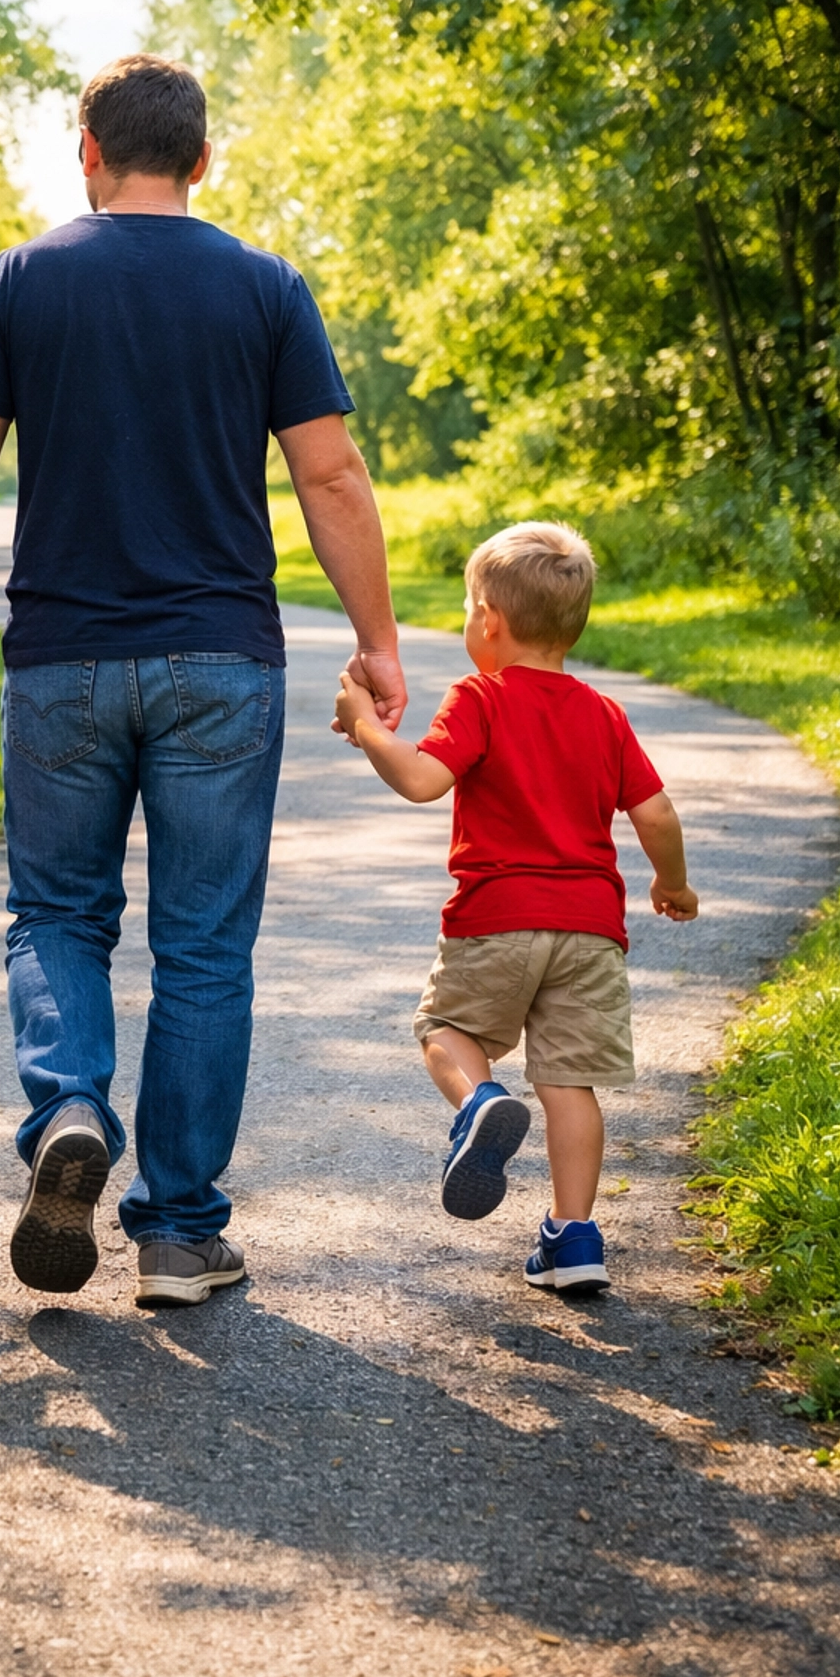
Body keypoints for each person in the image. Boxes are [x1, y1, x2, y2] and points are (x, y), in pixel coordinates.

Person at [0, 54, 405, 1307]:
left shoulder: (19, 280)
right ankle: (177, 1234)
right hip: (223, 660)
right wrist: (378, 637)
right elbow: (330, 479)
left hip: (62, 659)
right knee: (205, 947)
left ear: (88, 151)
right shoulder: (265, 287)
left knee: (59, 916)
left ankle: (69, 1106)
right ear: (202, 160)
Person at [333, 520, 698, 1295]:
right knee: (570, 1082)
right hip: (591, 933)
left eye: (469, 608)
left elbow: (426, 780)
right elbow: (657, 813)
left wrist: (366, 726)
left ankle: (480, 1102)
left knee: (446, 1031)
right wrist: (673, 886)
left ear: (489, 622)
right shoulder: (604, 713)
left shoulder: (481, 698)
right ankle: (574, 1241)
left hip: (496, 917)